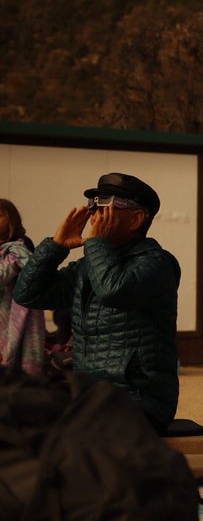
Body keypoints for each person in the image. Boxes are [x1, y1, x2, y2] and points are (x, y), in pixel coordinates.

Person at [14, 174, 179, 432]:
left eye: (107, 208)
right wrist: (57, 246)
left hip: (138, 399)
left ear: (136, 219)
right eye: (94, 206)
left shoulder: (157, 263)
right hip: (90, 394)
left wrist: (97, 243)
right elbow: (28, 294)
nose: (95, 216)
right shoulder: (90, 263)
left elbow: (113, 291)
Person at [0, 199, 46, 376]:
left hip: (16, 318)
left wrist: (11, 262)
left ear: (12, 220)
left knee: (17, 376)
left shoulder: (19, 250)